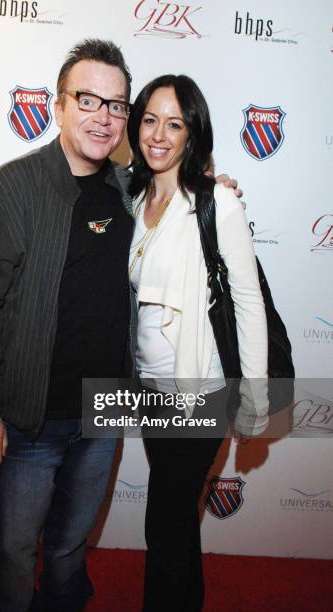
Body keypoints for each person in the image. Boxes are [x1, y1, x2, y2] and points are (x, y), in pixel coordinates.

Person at [0, 38, 240, 611]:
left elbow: (176, 202)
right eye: (88, 100)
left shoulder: (127, 189)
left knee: (67, 552)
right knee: (15, 552)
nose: (103, 117)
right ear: (58, 105)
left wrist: (212, 189)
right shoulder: (10, 190)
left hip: (102, 417)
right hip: (26, 420)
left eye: (116, 105)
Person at [127, 75, 268, 611]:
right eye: (149, 120)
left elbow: (248, 302)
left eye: (175, 123)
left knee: (162, 523)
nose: (159, 135)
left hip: (200, 392)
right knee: (178, 519)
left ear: (193, 133)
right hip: (149, 390)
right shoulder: (131, 195)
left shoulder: (216, 203)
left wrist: (255, 398)